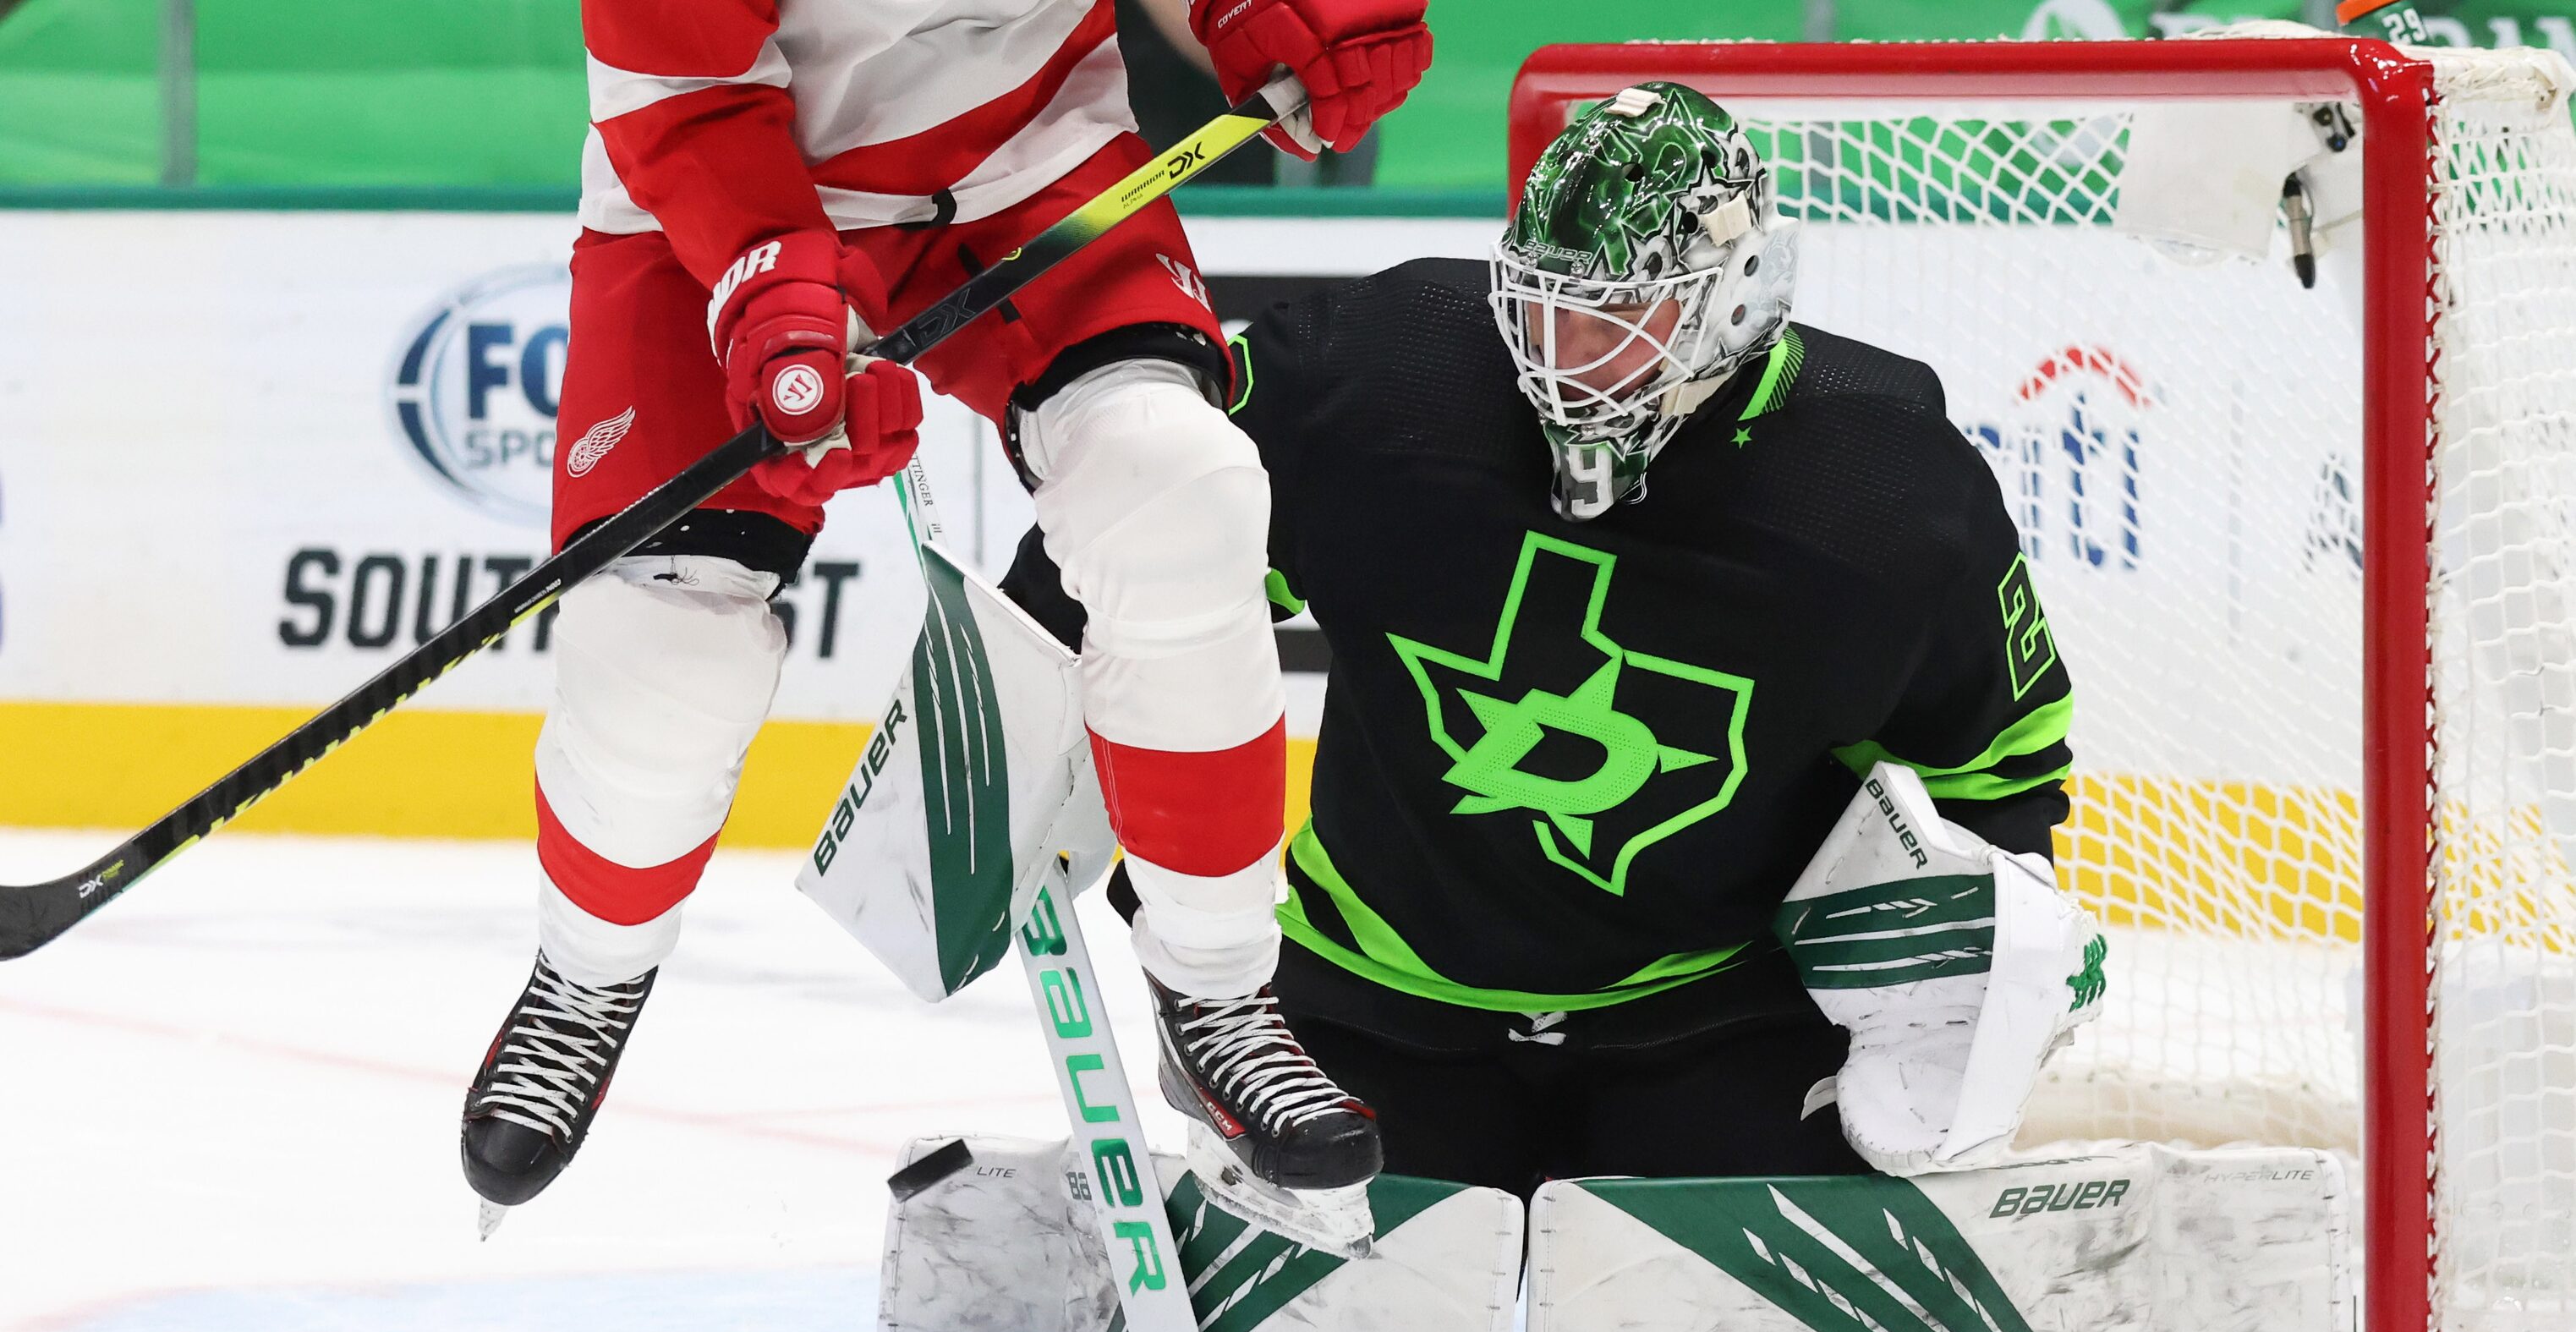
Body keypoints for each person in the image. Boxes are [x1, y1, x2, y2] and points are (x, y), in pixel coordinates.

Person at [1001, 80, 2089, 1195]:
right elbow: (1141, 542)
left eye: (1618, 319)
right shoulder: (1380, 375)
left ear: (1736, 296)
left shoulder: (1888, 490)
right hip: (1364, 997)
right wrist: (1028, 723)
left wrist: (1969, 973)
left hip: (1715, 1018)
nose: (1564, 352)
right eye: (1542, 306)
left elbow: (1998, 763)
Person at [457, 0, 1433, 1224]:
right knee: (662, 658)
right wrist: (772, 291)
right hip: (722, 210)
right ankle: (588, 971)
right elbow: (685, 97)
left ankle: (1220, 984)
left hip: (1027, 162)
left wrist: (1250, 13)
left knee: (1178, 494)